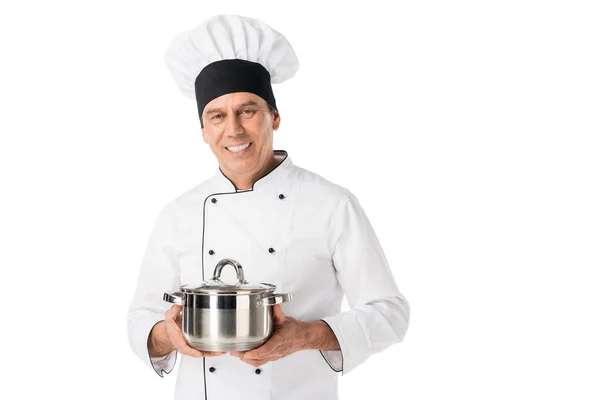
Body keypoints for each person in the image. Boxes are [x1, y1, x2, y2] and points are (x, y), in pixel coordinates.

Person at [127, 14, 410, 400]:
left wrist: (308, 336)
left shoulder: (330, 204)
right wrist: (168, 335)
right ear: (204, 131)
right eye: (217, 116)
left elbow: (390, 313)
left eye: (248, 111)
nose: (234, 130)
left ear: (274, 117)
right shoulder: (179, 213)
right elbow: (140, 318)